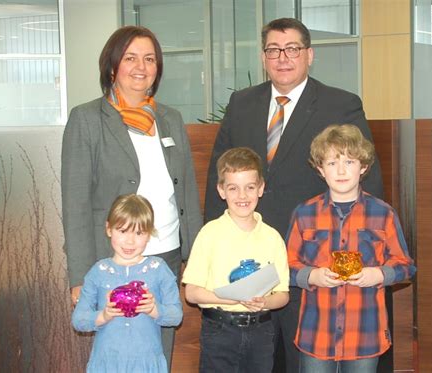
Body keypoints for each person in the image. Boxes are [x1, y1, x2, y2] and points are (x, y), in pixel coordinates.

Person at [204, 17, 384, 373]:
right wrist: (215, 239)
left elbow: (367, 178)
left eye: (292, 49)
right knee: (258, 356)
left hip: (314, 254)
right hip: (249, 252)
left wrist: (359, 251)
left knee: (304, 356)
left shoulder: (341, 103)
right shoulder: (241, 103)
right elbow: (219, 172)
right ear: (263, 56)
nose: (282, 57)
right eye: (273, 50)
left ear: (309, 55)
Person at [61, 25, 202, 369]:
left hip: (165, 252)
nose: (141, 67)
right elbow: (75, 202)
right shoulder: (87, 118)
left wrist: (197, 257)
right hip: (113, 260)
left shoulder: (169, 118)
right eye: (131, 58)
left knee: (158, 347)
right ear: (113, 66)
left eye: (150, 59)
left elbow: (185, 191)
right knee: (118, 347)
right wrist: (80, 275)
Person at [286, 124, 416, 372]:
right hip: (317, 332)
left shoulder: (383, 213)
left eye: (349, 161)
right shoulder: (304, 214)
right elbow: (285, 266)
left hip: (365, 333)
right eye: (332, 163)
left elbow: (406, 266)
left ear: (363, 167)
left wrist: (378, 274)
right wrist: (311, 275)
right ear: (320, 170)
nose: (341, 170)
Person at [183, 147, 290, 373]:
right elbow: (191, 293)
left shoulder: (272, 237)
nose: (242, 196)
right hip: (219, 330)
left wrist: (265, 302)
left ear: (260, 189)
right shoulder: (209, 234)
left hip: (261, 331)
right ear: (221, 190)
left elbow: (282, 295)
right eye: (233, 188)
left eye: (250, 188)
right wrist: (228, 298)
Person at [72, 194, 183, 372]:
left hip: (146, 363)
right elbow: (79, 320)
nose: (130, 241)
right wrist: (104, 316)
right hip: (107, 363)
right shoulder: (98, 271)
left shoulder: (159, 269)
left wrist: (154, 309)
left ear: (149, 234)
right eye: (122, 231)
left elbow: (176, 316)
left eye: (139, 233)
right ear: (109, 229)